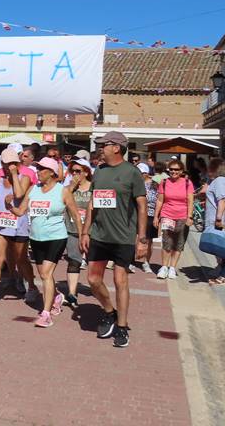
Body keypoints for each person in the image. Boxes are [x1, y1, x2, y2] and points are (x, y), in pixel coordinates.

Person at [80, 131, 147, 349]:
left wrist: (142, 239)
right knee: (93, 280)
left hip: (123, 237)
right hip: (99, 235)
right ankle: (110, 311)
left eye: (104, 145)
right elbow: (92, 202)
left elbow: (142, 206)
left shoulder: (132, 173)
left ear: (117, 147)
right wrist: (85, 231)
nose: (101, 148)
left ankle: (122, 326)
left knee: (120, 281)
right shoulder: (99, 171)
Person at [9, 157, 83, 327]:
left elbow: (75, 216)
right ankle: (56, 296)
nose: (38, 172)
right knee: (44, 275)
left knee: (46, 274)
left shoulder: (62, 191)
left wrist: (81, 237)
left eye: (42, 169)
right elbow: (21, 212)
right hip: (36, 238)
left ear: (51, 173)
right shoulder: (33, 189)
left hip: (56, 237)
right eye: (37, 168)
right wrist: (9, 207)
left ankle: (46, 314)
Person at [0, 148, 37, 306]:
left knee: (21, 259)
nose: (7, 167)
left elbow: (19, 194)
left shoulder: (25, 176)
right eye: (5, 164)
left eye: (11, 164)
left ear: (16, 163)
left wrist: (13, 175)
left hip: (19, 222)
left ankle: (31, 286)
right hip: (2, 223)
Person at [154, 160, 193, 280]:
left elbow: (190, 200)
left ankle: (172, 268)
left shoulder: (187, 183)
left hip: (182, 216)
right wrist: (156, 216)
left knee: (179, 242)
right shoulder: (164, 182)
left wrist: (189, 216)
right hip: (167, 215)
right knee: (167, 241)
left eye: (176, 170)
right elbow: (160, 200)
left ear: (181, 171)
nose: (173, 172)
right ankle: (164, 267)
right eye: (171, 169)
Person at [63, 158, 93, 307]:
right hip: (72, 230)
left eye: (78, 171)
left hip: (92, 232)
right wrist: (72, 186)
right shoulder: (68, 188)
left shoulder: (94, 188)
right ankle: (72, 293)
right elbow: (61, 201)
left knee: (94, 264)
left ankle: (96, 287)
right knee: (74, 261)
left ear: (86, 172)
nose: (74, 174)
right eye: (72, 171)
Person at [204, 157, 225, 285]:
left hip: (221, 220)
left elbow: (222, 200)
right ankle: (221, 270)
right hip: (222, 219)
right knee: (220, 247)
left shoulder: (220, 181)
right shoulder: (222, 181)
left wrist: (218, 218)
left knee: (222, 248)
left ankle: (224, 275)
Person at [137, 162, 158, 274]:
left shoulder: (154, 184)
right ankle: (131, 260)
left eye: (140, 173)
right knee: (135, 238)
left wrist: (156, 216)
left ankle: (146, 262)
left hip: (150, 214)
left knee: (149, 240)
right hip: (136, 213)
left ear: (146, 173)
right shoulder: (135, 183)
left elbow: (157, 200)